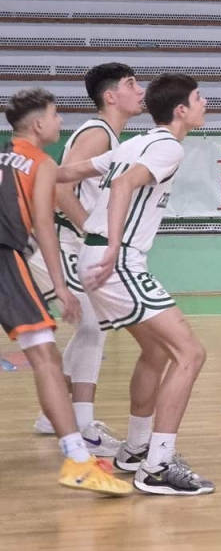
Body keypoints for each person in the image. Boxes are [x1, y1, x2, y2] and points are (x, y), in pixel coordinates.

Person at [60, 73, 215, 495]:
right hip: (117, 260)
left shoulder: (136, 142)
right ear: (181, 110)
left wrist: (22, 169)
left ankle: (135, 450)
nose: (205, 103)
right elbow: (124, 183)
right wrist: (114, 245)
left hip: (100, 257)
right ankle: (158, 466)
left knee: (156, 350)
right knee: (190, 354)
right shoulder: (167, 147)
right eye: (199, 97)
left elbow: (70, 172)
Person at [1, 90, 131, 496]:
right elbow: (43, 225)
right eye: (56, 115)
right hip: (6, 258)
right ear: (39, 124)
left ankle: (74, 448)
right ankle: (77, 458)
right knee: (45, 355)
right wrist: (61, 286)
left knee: (48, 353)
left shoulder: (3, 157)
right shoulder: (42, 163)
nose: (60, 121)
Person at [28, 63, 145, 454]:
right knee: (92, 327)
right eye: (132, 84)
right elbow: (60, 187)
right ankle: (81, 426)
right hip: (58, 242)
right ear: (110, 96)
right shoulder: (98, 133)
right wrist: (89, 233)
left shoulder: (111, 135)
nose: (140, 90)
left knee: (92, 328)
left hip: (70, 244)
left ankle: (53, 415)